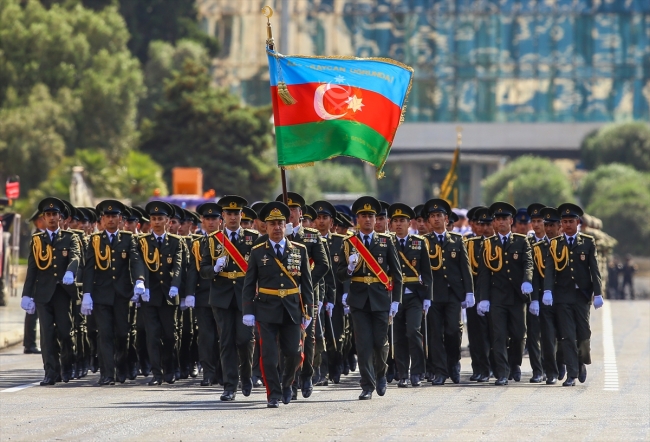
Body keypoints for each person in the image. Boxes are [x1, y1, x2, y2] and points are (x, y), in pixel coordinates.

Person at [241, 201, 313, 408]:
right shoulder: (257, 252)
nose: (277, 228)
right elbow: (249, 284)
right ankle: (273, 393)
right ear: (266, 226)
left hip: (291, 309)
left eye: (281, 223)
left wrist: (308, 311)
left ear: (286, 225)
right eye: (272, 224)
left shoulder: (299, 250)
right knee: (269, 356)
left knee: (293, 353)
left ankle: (287, 383)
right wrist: (248, 310)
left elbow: (306, 285)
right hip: (266, 309)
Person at [336, 196, 403, 400]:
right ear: (357, 218)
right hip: (359, 299)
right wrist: (348, 268)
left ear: (376, 219)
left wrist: (396, 301)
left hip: (381, 298)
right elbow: (339, 274)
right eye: (363, 216)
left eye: (371, 216)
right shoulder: (348, 244)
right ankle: (367, 384)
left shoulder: (386, 241)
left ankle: (381, 375)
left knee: (380, 342)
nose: (367, 220)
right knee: (363, 344)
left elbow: (397, 273)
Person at [199, 196, 258, 400]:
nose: (233, 217)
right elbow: (203, 269)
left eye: (236, 213)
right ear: (223, 216)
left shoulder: (253, 238)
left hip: (245, 295)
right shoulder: (213, 239)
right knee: (226, 341)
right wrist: (214, 269)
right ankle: (230, 386)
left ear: (242, 215)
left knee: (244, 340)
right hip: (221, 296)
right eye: (229, 214)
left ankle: (247, 376)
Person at [82, 200, 145, 385]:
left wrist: (139, 280)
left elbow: (135, 261)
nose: (110, 220)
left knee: (123, 334)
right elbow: (89, 269)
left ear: (120, 219)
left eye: (114, 216)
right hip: (101, 294)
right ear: (102, 219)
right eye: (107, 216)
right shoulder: (95, 240)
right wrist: (87, 293)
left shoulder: (128, 239)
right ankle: (107, 373)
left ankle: (122, 367)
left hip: (122, 294)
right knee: (105, 334)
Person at [275, 192, 329, 400]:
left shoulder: (311, 236)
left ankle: (306, 374)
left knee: (307, 338)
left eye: (293, 211)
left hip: (305, 296)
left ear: (300, 213)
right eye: (284, 211)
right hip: (282, 296)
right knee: (286, 339)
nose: (289, 215)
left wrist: (305, 284)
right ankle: (289, 380)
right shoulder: (279, 234)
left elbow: (324, 265)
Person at [21, 197, 81, 385]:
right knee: (46, 336)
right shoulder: (37, 240)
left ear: (61, 218)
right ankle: (50, 372)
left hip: (62, 293)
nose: (52, 218)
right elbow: (32, 269)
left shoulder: (70, 238)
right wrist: (26, 294)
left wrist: (71, 271)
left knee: (65, 332)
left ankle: (67, 366)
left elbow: (75, 256)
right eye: (48, 215)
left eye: (55, 214)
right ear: (44, 218)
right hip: (43, 294)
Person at [543, 203, 603, 387]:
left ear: (578, 222)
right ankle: (572, 373)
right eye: (565, 221)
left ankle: (581, 362)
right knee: (567, 336)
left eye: (571, 221)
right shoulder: (555, 244)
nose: (568, 225)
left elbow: (594, 269)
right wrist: (547, 291)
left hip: (582, 295)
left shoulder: (587, 242)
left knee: (583, 335)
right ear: (561, 224)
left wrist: (598, 293)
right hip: (562, 296)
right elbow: (550, 270)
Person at [477, 202, 533, 386]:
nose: (501, 222)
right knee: (498, 336)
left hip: (517, 296)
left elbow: (528, 263)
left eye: (504, 219)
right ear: (494, 223)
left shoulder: (521, 241)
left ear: (511, 221)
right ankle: (502, 372)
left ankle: (515, 363)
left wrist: (527, 280)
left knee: (518, 335)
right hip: (497, 297)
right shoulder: (488, 244)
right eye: (497, 219)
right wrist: (483, 298)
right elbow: (484, 273)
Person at [423, 199, 473, 385]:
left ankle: (454, 362)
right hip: (433, 294)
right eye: (433, 216)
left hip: (453, 293)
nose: (436, 219)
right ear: (429, 221)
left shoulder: (457, 240)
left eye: (439, 216)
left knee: (453, 331)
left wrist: (469, 292)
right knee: (435, 333)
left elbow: (465, 268)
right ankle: (440, 371)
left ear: (446, 219)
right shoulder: (424, 242)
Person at [138, 201, 183, 385]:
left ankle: (170, 369)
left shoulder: (175, 242)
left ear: (168, 221)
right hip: (150, 295)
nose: (156, 222)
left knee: (170, 335)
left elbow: (179, 265)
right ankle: (157, 373)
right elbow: (140, 264)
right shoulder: (142, 242)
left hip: (169, 295)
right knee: (153, 335)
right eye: (154, 219)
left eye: (160, 219)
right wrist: (144, 285)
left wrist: (175, 285)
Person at [388, 203, 432, 388]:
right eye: (396, 221)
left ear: (410, 223)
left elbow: (427, 272)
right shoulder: (385, 242)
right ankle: (402, 373)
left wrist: (428, 296)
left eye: (403, 221)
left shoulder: (419, 242)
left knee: (414, 332)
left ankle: (417, 371)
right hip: (394, 296)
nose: (399, 225)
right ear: (391, 224)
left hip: (414, 294)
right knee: (397, 336)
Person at [188, 203, 224, 388]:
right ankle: (208, 373)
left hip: (224, 295)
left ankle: (223, 372)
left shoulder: (226, 241)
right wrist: (189, 293)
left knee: (224, 336)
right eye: (207, 219)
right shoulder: (198, 243)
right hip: (203, 295)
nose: (211, 222)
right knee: (206, 336)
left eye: (214, 219)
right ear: (202, 221)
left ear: (220, 220)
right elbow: (193, 270)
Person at [535, 207, 565, 384]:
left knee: (564, 335)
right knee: (547, 337)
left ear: (559, 226)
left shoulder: (565, 244)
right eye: (546, 225)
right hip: (544, 299)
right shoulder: (538, 247)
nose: (548, 228)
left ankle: (561, 362)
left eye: (552, 225)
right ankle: (550, 371)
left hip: (563, 298)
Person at [464, 207, 492, 382]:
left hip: (493, 295)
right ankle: (479, 367)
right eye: (480, 223)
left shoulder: (496, 243)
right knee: (475, 334)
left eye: (487, 223)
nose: (483, 227)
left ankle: (495, 367)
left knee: (494, 334)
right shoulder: (469, 243)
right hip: (474, 294)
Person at [525, 203, 546, 383]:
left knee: (550, 334)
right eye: (534, 221)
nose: (537, 224)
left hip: (550, 294)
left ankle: (552, 366)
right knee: (533, 335)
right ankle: (537, 370)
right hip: (532, 294)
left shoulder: (554, 242)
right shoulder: (526, 242)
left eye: (540, 221)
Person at [23, 210, 45, 355]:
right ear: (38, 221)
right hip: (38, 280)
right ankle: (29, 344)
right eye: (43, 218)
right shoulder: (37, 236)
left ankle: (29, 343)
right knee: (33, 313)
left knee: (34, 313)